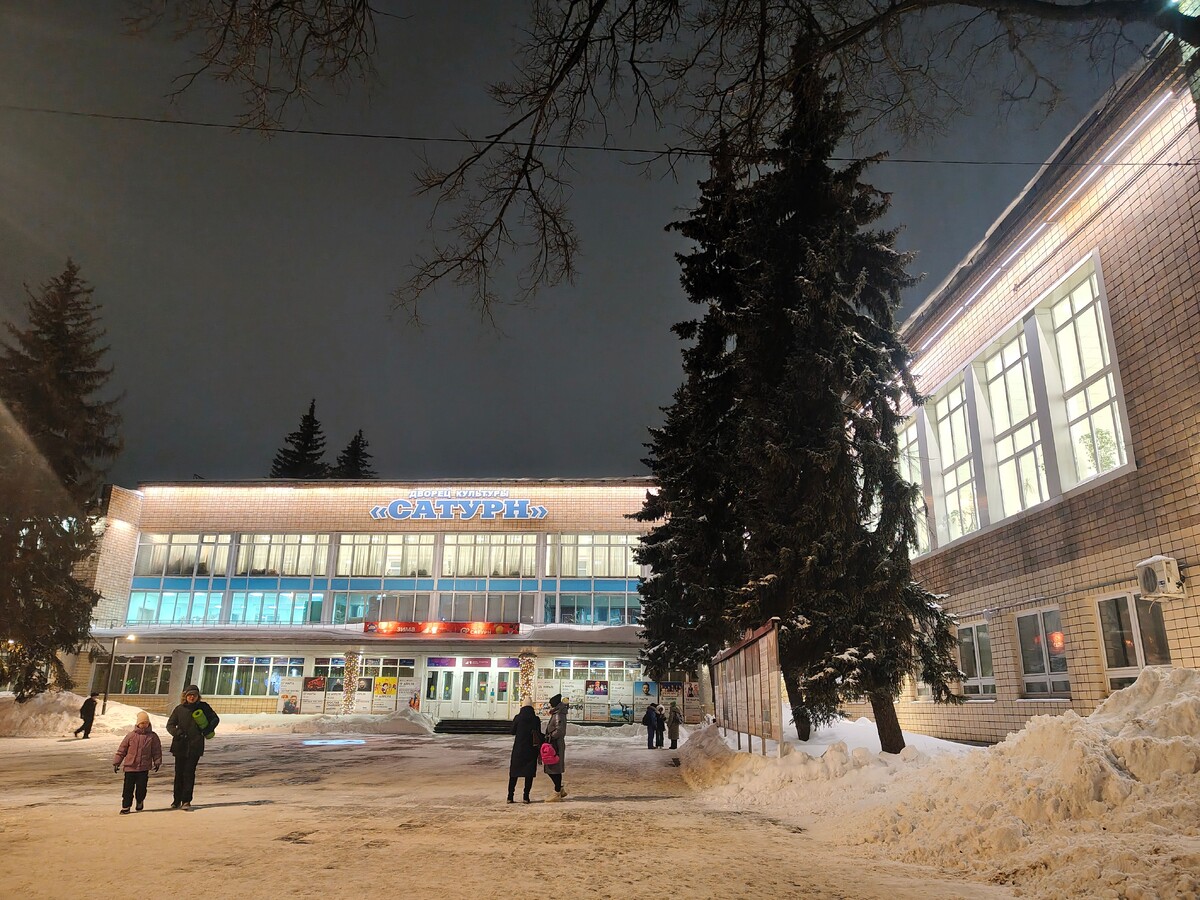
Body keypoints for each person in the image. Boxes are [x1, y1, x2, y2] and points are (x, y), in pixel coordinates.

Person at [165, 684, 219, 810]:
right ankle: (176, 800)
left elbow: (215, 719)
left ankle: (186, 800)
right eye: (189, 695)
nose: (192, 697)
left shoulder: (204, 707)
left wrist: (207, 729)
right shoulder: (179, 709)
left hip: (195, 746)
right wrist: (177, 733)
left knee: (189, 773)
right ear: (185, 696)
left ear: (197, 696)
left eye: (194, 695)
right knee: (179, 774)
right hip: (180, 746)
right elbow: (170, 725)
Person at [112, 711, 162, 814]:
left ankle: (140, 800)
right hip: (130, 766)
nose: (144, 725)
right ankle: (126, 806)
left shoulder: (152, 737)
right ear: (137, 724)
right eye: (142, 723)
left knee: (141, 787)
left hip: (143, 768)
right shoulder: (130, 736)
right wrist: (117, 762)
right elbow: (122, 750)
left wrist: (157, 761)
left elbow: (156, 750)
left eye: (146, 723)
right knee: (127, 788)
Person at [507, 697, 541, 804]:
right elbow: (538, 734)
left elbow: (512, 731)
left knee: (514, 774)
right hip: (531, 749)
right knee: (529, 774)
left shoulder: (518, 718)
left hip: (518, 749)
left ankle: (510, 796)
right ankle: (526, 797)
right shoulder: (536, 719)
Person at [542, 693, 568, 801]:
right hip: (554, 743)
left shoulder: (558, 714)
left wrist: (550, 736)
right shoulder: (558, 713)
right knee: (553, 767)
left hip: (555, 744)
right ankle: (559, 789)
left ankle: (557, 792)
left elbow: (560, 730)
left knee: (553, 767)